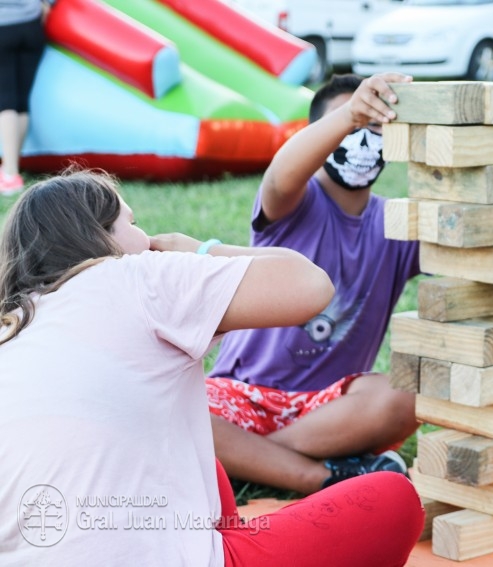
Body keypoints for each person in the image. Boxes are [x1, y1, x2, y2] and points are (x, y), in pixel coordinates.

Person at [0, 170, 424, 566]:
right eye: (133, 222)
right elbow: (312, 285)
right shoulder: (133, 275)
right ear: (101, 236)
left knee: (205, 461)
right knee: (394, 499)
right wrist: (199, 250)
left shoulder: (13, 330)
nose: (145, 236)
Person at [206, 72, 422, 495]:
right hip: (241, 395)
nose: (361, 137)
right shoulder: (293, 201)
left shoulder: (397, 224)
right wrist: (350, 115)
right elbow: (282, 173)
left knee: (408, 393)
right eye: (347, 123)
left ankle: (251, 460)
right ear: (318, 135)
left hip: (329, 413)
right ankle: (323, 475)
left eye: (374, 127)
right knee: (175, 407)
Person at [0, 0, 49, 195]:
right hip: (31, 24)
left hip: (3, 25)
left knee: (6, 101)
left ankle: (10, 175)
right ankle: (10, 169)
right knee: (21, 102)